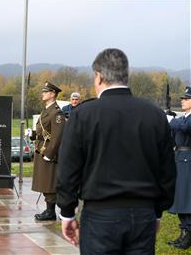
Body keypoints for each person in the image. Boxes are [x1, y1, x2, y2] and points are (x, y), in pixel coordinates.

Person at [56, 48, 176, 253]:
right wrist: (157, 212)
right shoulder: (154, 115)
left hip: (101, 216)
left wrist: (67, 213)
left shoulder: (83, 115)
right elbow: (167, 171)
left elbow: (68, 169)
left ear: (99, 76)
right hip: (142, 214)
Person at [30, 81, 65, 221]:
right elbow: (44, 131)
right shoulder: (47, 110)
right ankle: (48, 210)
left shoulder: (57, 113)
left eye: (45, 92)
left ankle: (51, 212)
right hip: (41, 150)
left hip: (49, 152)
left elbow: (57, 136)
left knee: (49, 182)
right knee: (45, 181)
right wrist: (33, 134)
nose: (43, 94)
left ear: (52, 94)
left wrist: (49, 154)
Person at [167, 87, 191, 250]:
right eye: (182, 98)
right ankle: (183, 234)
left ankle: (188, 235)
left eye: (186, 98)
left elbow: (185, 127)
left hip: (188, 161)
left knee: (186, 198)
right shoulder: (184, 118)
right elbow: (176, 138)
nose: (182, 100)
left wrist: (171, 120)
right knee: (181, 199)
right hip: (180, 160)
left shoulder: (187, 120)